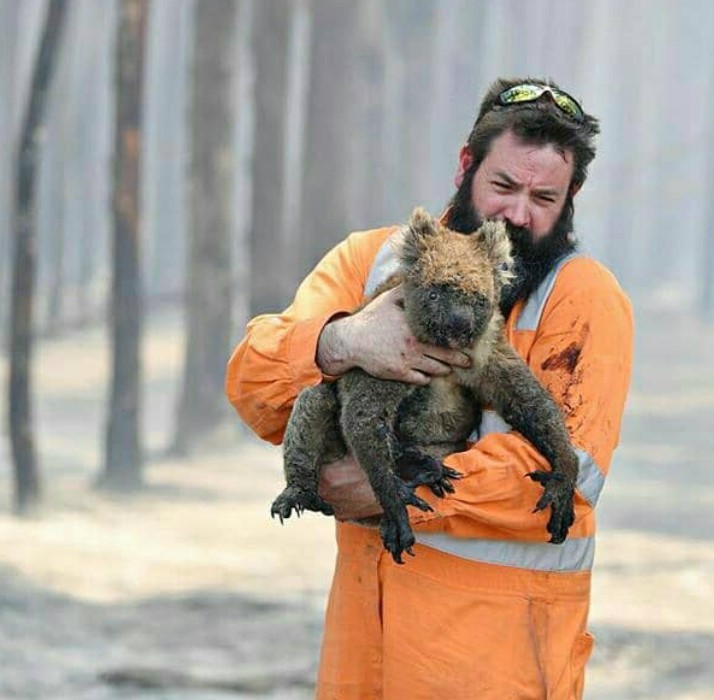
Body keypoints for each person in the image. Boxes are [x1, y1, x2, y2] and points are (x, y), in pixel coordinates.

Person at [226, 77, 633, 699]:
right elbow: (253, 384)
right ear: (466, 166)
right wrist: (342, 342)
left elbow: (569, 472)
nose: (518, 214)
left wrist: (400, 489)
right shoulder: (374, 261)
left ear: (571, 196)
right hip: (364, 657)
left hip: (501, 669)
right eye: (503, 186)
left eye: (544, 196)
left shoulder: (583, 299)